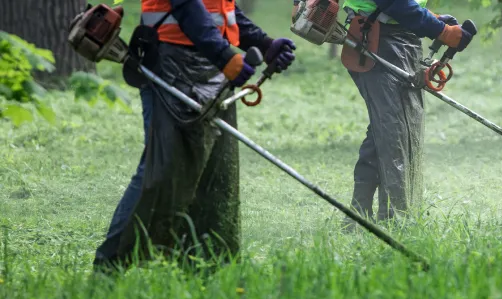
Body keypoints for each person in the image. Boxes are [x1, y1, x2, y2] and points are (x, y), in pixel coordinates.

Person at [93, 0, 296, 272]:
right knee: (159, 169)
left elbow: (220, 8)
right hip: (170, 62)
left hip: (208, 66)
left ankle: (205, 267)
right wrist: (224, 56)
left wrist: (262, 42)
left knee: (212, 173)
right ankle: (109, 267)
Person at [293, 0, 472, 228]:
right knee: (392, 129)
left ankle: (359, 215)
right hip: (377, 38)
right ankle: (392, 220)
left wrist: (429, 18)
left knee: (388, 126)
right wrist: (442, 31)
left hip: (397, 36)